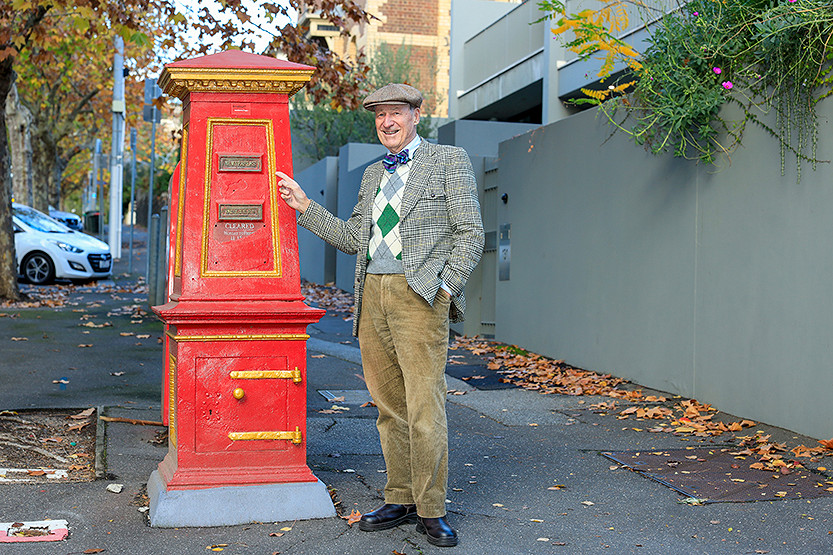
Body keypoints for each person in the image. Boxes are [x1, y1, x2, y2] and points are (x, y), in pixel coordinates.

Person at [278, 83, 484, 548]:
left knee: (425, 406)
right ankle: (400, 496)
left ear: (416, 114)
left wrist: (444, 287)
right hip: (372, 295)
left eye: (395, 113)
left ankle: (431, 509)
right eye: (379, 116)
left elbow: (470, 233)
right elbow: (354, 238)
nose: (386, 122)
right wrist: (304, 206)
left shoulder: (448, 161)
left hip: (420, 295)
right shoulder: (373, 174)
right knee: (389, 407)